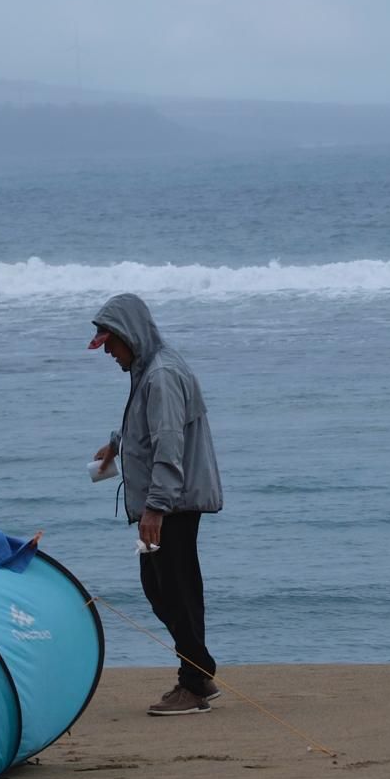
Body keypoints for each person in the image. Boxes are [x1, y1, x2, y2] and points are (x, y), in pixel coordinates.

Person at [88, 293, 224, 716]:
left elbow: (169, 444)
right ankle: (197, 673)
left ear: (131, 335)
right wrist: (116, 445)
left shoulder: (161, 374)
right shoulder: (149, 369)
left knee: (175, 589)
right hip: (166, 502)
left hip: (172, 505)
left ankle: (195, 681)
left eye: (111, 343)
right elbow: (148, 425)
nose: (108, 352)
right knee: (158, 586)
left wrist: (156, 508)